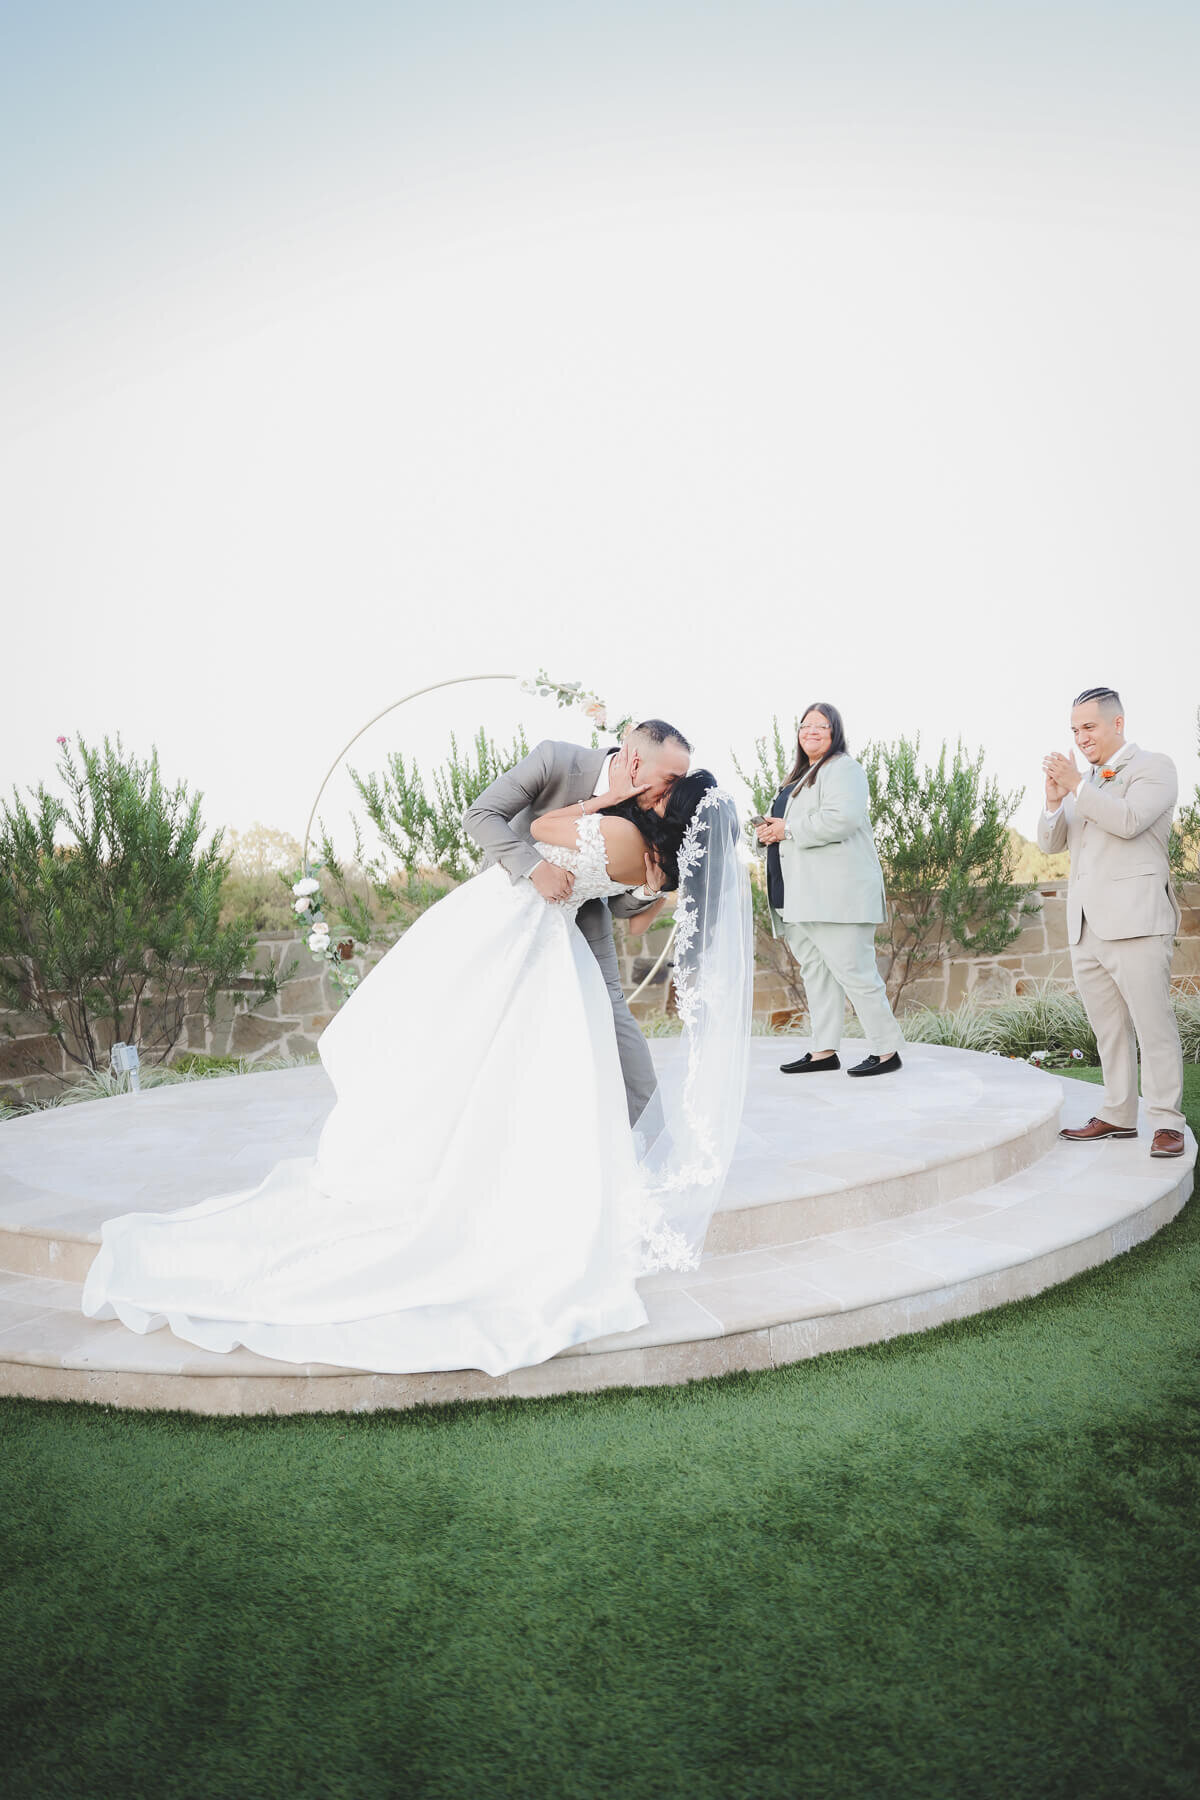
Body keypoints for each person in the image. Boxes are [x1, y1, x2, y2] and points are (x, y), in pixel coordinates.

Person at [80, 746, 754, 1378]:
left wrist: (601, 805)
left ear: (673, 807)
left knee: (457, 1048)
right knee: (520, 1067)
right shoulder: (654, 864)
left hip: (510, 926)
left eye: (667, 788)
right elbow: (614, 892)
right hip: (548, 945)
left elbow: (544, 823)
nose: (654, 788)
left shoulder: (616, 832)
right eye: (658, 775)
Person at [463, 720, 693, 1128]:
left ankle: (649, 1133)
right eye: (671, 778)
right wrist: (535, 868)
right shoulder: (555, 759)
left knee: (613, 1010)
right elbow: (480, 815)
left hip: (584, 911)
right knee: (497, 1009)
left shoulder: (652, 806)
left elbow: (621, 904)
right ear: (635, 761)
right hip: (513, 900)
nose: (675, 790)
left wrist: (651, 892)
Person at [1039, 686, 1185, 1158]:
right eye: (1075, 729)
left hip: (1137, 921)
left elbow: (1128, 821)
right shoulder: (1085, 784)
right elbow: (1050, 844)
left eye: (1089, 726)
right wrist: (1053, 799)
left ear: (1117, 724)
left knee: (1153, 1025)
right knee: (1109, 1029)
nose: (1081, 737)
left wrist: (1079, 786)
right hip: (1086, 927)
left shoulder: (1154, 767)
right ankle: (1119, 1114)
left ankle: (1167, 1122)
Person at [755, 702, 904, 1078]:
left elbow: (842, 819)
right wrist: (770, 831)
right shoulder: (796, 779)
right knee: (816, 973)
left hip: (836, 897)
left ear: (835, 732)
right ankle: (824, 1051)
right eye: (805, 725)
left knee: (855, 972)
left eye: (821, 726)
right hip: (799, 897)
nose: (812, 731)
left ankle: (887, 1052)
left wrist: (786, 829)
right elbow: (790, 828)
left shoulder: (844, 769)